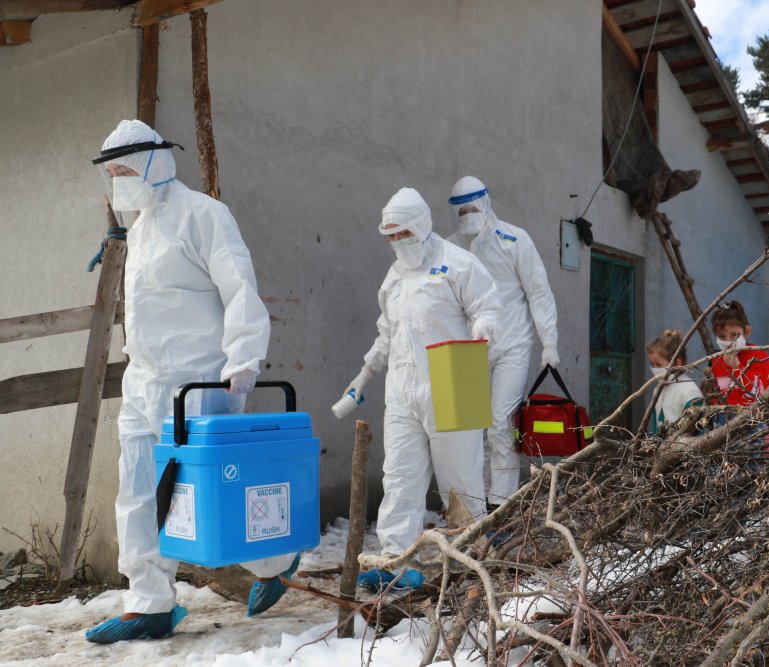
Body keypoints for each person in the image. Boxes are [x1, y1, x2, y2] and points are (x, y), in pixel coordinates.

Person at [86, 120, 299, 644]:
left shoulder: (203, 214)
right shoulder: (141, 228)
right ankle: (150, 602)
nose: (118, 183)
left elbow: (239, 286)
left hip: (199, 384)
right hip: (144, 381)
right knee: (137, 491)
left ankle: (275, 559)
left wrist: (243, 357)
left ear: (152, 164)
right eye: (112, 175)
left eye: (124, 172)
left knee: (209, 493)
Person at [341, 187, 501, 592]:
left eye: (404, 233)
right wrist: (364, 374)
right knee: (399, 477)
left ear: (423, 226)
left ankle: (469, 560)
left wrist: (483, 330)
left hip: (453, 380)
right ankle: (395, 562)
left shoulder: (458, 263)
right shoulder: (394, 276)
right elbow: (386, 333)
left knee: (460, 480)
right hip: (402, 390)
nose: (399, 242)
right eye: (391, 236)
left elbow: (487, 306)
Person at [446, 176, 559, 512]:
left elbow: (539, 292)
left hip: (513, 343)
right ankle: (476, 501)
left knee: (500, 422)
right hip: (470, 348)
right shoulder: (452, 246)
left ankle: (501, 502)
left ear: (485, 202)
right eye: (460, 210)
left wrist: (549, 341)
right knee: (471, 429)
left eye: (472, 207)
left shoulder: (514, 240)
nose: (467, 214)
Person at [708, 301, 769, 407]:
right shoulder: (716, 360)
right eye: (722, 336)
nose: (728, 342)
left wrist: (738, 367)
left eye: (734, 335)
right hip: (723, 415)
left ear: (747, 331)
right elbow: (716, 398)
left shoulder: (759, 355)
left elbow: (760, 394)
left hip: (752, 415)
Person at [645, 329, 702, 433]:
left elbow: (698, 427)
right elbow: (656, 425)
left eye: (658, 364)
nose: (654, 369)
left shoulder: (689, 390)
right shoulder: (658, 389)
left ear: (677, 363)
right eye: (652, 364)